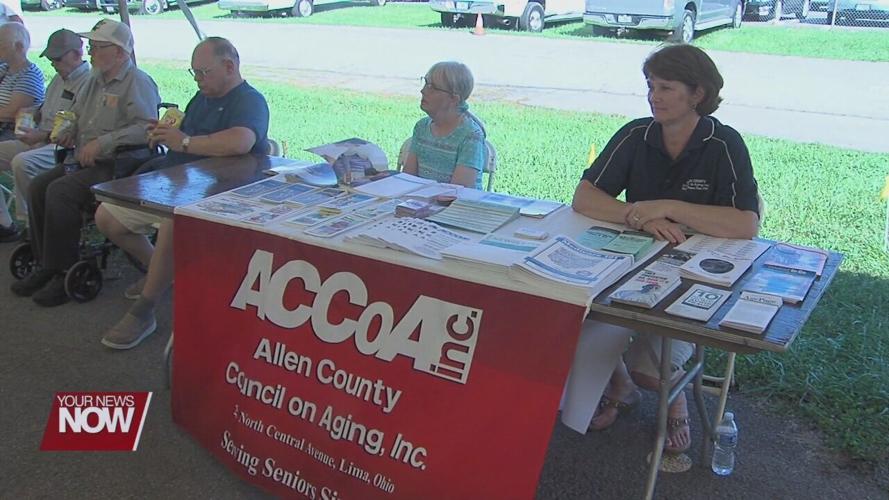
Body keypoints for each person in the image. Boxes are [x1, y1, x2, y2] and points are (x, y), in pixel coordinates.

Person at [562, 44, 760, 454]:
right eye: (651, 86)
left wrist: (668, 206)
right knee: (562, 321)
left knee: (651, 370)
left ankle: (674, 401)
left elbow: (745, 224)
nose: (654, 97)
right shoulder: (636, 134)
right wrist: (638, 216)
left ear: (697, 94)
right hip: (628, 265)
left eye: (666, 88)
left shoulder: (724, 143)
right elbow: (584, 197)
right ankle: (620, 385)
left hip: (693, 276)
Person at [95, 36, 270, 350]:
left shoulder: (249, 101)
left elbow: (240, 142)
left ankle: (145, 308)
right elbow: (181, 135)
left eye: (203, 72)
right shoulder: (202, 97)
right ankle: (160, 274)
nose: (198, 79)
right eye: (194, 73)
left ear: (229, 67)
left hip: (217, 193)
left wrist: (184, 142)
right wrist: (164, 131)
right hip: (178, 184)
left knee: (174, 222)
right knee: (106, 216)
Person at [9, 19, 160, 307]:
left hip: (119, 164)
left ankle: (62, 268)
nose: (90, 53)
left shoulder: (137, 82)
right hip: (86, 159)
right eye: (91, 47)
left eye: (97, 47)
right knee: (39, 186)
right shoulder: (93, 80)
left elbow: (145, 128)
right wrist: (66, 131)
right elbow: (75, 115)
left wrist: (102, 143)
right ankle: (46, 261)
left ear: (119, 52)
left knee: (60, 192)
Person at [0, 29, 90, 242]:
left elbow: (76, 127)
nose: (53, 63)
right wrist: (32, 113)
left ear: (77, 54)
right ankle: (4, 223)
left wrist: (41, 135)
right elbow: (46, 110)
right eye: (51, 58)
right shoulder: (58, 80)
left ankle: (31, 223)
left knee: (23, 162)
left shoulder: (88, 82)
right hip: (40, 139)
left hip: (64, 147)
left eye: (57, 59)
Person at [401, 61, 486, 190]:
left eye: (433, 87)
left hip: (456, 202)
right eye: (425, 83)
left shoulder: (470, 135)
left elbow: (456, 192)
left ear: (454, 99)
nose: (423, 91)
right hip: (421, 200)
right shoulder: (421, 127)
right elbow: (408, 179)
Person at [0, 22, 44, 143]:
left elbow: (12, 112)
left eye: (1, 44)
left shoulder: (30, 75)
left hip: (10, 132)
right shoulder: (4, 68)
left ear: (19, 47)